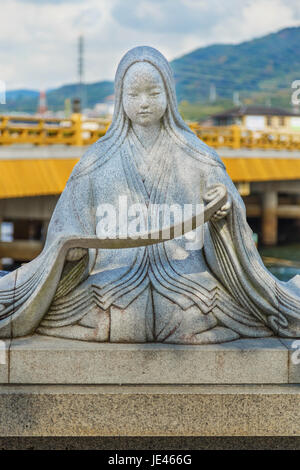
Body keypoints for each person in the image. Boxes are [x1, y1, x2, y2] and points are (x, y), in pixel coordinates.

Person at [1, 46, 300, 343]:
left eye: (153, 94)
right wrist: (72, 250)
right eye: (134, 95)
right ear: (120, 98)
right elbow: (68, 226)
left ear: (168, 94)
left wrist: (224, 212)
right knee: (122, 317)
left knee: (185, 317)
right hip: (111, 284)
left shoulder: (197, 156)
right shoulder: (96, 161)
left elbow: (228, 213)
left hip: (186, 282)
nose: (144, 103)